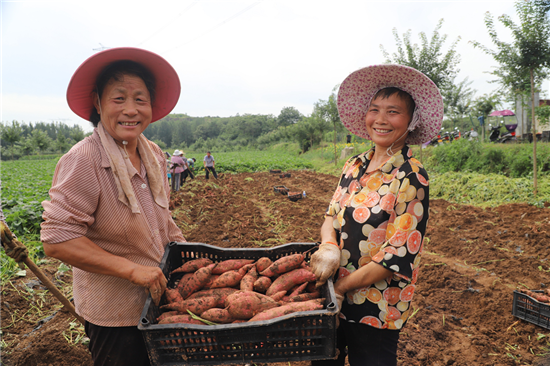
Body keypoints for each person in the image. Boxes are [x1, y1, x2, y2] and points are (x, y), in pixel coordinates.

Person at [40, 47, 185, 366]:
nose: (131, 110)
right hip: (115, 315)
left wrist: (193, 256)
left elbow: (163, 220)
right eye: (119, 99)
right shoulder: (84, 160)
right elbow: (57, 240)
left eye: (140, 99)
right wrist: (132, 270)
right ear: (98, 103)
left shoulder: (154, 155)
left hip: (161, 300)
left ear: (151, 106)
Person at [309, 64, 444, 366]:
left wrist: (343, 288)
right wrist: (329, 245)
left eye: (393, 112)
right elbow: (331, 215)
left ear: (412, 121)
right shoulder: (355, 165)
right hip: (330, 295)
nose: (380, 120)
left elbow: (395, 256)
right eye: (374, 110)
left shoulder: (411, 176)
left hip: (376, 305)